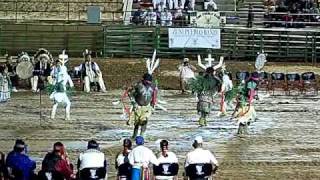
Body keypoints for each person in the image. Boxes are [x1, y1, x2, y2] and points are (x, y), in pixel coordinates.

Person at [127, 73, 157, 139]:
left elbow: (154, 96)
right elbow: (130, 93)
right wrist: (134, 103)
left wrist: (153, 105)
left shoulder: (153, 86)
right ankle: (134, 136)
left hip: (147, 107)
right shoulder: (138, 85)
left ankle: (141, 136)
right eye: (147, 81)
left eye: (149, 82)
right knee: (137, 122)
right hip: (138, 106)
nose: (148, 83)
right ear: (143, 80)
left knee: (144, 121)